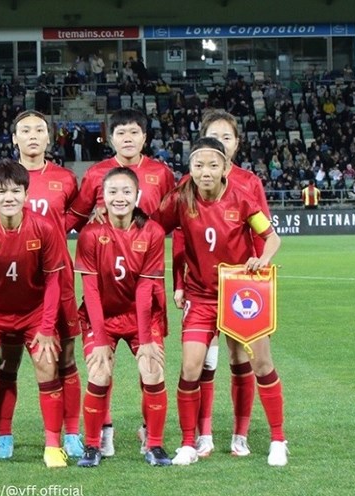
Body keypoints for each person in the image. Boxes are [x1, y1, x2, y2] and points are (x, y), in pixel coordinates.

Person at [153, 138, 287, 467]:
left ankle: (278, 440)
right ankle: (188, 443)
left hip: (240, 293)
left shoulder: (242, 199)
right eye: (198, 165)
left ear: (227, 168)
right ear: (190, 169)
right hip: (200, 297)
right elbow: (155, 228)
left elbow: (272, 236)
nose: (206, 172)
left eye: (213, 165)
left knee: (261, 364)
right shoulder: (182, 199)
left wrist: (263, 260)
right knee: (190, 367)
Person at [67, 108, 175, 456]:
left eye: (134, 133)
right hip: (106, 290)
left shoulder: (162, 174)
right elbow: (76, 215)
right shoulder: (96, 176)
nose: (128, 139)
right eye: (121, 133)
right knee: (99, 369)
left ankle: (152, 437)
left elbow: (176, 220)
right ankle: (100, 436)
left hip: (146, 278)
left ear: (145, 136)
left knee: (153, 367)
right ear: (110, 138)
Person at [0, 160, 67, 470]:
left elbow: (54, 280)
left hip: (32, 313)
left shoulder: (43, 228)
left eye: (16, 191)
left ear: (26, 194)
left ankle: (53, 447)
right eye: (1, 192)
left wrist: (46, 327)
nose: (9, 198)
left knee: (48, 366)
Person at [0, 111, 83, 459]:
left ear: (49, 137)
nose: (32, 136)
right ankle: (4, 436)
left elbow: (77, 216)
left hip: (58, 279)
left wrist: (57, 230)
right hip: (12, 285)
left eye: (39, 130)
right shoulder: (2, 178)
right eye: (24, 130)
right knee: (8, 360)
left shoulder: (65, 179)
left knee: (65, 358)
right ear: (14, 138)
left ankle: (70, 433)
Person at [182, 109, 272, 459]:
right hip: (201, 288)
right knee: (202, 361)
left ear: (236, 143)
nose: (220, 142)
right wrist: (178, 282)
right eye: (213, 136)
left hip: (240, 287)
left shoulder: (249, 183)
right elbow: (180, 235)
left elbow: (263, 235)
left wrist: (261, 275)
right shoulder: (191, 183)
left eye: (227, 137)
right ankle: (203, 434)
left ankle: (241, 433)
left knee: (240, 359)